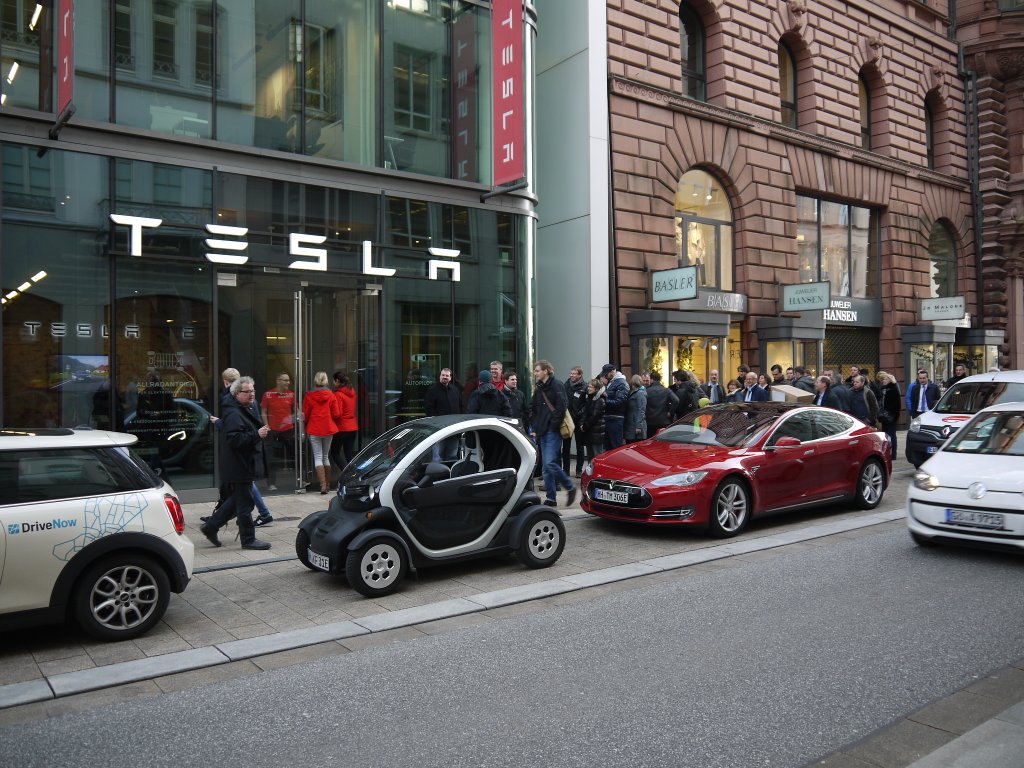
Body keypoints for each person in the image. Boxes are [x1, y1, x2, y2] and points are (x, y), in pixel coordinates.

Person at [200, 376, 272, 550]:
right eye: (247, 392)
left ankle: (211, 526)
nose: (252, 394)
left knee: (239, 500)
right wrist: (257, 434)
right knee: (245, 503)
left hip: (243, 463)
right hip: (238, 465)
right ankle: (248, 540)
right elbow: (234, 439)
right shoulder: (233, 412)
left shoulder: (245, 406)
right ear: (236, 393)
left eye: (253, 390)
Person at [530, 360, 577, 508]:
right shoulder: (539, 387)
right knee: (546, 467)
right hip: (542, 430)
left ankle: (570, 487)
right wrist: (535, 426)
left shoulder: (556, 385)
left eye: (537, 370)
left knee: (550, 462)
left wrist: (553, 425)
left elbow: (562, 406)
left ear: (546, 371)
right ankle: (551, 498)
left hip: (552, 430)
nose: (535, 373)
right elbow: (534, 407)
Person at [302, 371, 341, 494]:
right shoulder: (331, 395)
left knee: (318, 457)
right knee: (325, 456)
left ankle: (323, 486)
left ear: (315, 381)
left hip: (314, 428)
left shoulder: (309, 395)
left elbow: (305, 414)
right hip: (328, 428)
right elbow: (336, 414)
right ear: (326, 380)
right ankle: (328, 485)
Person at [260, 372, 295, 492]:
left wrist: (294, 421)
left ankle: (298, 481)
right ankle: (271, 483)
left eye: (288, 380)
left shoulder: (291, 394)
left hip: (288, 429)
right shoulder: (268, 394)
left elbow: (297, 411)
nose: (288, 382)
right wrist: (266, 425)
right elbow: (263, 411)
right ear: (278, 381)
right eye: (285, 380)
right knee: (271, 458)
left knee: (294, 455)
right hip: (273, 430)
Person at [425, 368, 462, 461]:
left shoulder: (455, 390)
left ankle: (450, 475)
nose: (444, 377)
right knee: (437, 456)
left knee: (452, 456)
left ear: (450, 378)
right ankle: (437, 475)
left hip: (453, 429)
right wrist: (437, 423)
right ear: (439, 376)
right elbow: (429, 409)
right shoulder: (432, 390)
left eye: (447, 375)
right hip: (438, 430)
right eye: (443, 375)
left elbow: (460, 407)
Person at [329, 371, 358, 475]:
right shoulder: (352, 391)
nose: (333, 383)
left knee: (335, 452)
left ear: (337, 381)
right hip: (353, 427)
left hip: (342, 427)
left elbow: (338, 413)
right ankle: (354, 474)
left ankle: (346, 474)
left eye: (333, 381)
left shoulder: (338, 395)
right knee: (349, 453)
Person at [562, 365, 587, 476]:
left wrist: (579, 414)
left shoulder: (585, 387)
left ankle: (578, 470)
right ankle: (565, 470)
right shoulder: (565, 385)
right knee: (566, 446)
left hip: (578, 420)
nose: (571, 375)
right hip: (567, 420)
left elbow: (586, 405)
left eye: (574, 373)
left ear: (580, 375)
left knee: (579, 446)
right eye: (570, 373)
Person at [601, 363, 628, 451]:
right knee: (609, 448)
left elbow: (619, 402)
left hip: (615, 419)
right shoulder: (613, 382)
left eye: (606, 373)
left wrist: (604, 401)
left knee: (615, 448)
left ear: (612, 371)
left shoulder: (621, 383)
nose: (605, 376)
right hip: (611, 418)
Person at [579, 377, 606, 465]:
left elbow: (595, 416)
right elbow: (585, 413)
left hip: (596, 432)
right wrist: (582, 424)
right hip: (589, 432)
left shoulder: (600, 400)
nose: (588, 388)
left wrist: (585, 425)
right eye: (588, 386)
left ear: (596, 389)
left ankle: (599, 475)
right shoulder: (589, 398)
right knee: (590, 457)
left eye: (590, 387)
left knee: (597, 456)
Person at [645, 370, 678, 434]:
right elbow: (676, 400)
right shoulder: (666, 390)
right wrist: (670, 412)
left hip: (650, 421)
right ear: (659, 379)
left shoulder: (647, 391)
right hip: (664, 421)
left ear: (651, 379)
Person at [877, 371, 902, 453]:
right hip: (884, 416)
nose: (883, 380)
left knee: (891, 435)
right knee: (885, 435)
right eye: (883, 379)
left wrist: (893, 415)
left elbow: (897, 405)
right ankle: (887, 452)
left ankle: (893, 453)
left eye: (886, 379)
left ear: (890, 380)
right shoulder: (882, 390)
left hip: (891, 416)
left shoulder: (893, 390)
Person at [625, 374, 648, 443]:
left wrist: (638, 426)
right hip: (632, 424)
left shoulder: (640, 393)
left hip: (636, 425)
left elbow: (641, 409)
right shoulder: (634, 392)